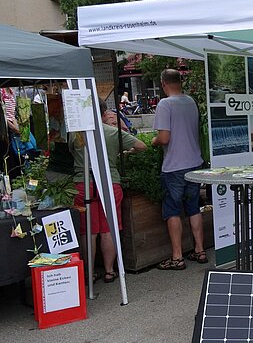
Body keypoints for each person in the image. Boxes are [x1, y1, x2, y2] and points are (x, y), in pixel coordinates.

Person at [71, 99, 146, 283]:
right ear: (104, 114)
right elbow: (141, 146)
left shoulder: (76, 134)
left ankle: (89, 272)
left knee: (88, 230)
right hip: (109, 182)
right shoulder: (113, 133)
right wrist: (125, 153)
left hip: (83, 183)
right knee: (108, 229)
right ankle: (109, 270)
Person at [152, 69, 206, 269]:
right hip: (194, 163)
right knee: (193, 206)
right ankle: (199, 250)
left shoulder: (165, 104)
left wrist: (154, 141)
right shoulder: (190, 102)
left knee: (172, 209)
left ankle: (177, 257)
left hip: (174, 166)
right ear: (180, 82)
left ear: (163, 83)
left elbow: (164, 138)